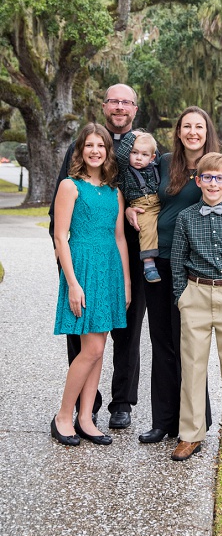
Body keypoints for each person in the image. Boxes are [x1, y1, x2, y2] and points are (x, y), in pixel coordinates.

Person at [129, 106, 222, 444]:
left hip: (197, 269)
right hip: (159, 262)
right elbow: (142, 191)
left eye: (198, 127)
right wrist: (130, 207)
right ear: (179, 131)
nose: (192, 132)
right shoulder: (165, 162)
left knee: (192, 349)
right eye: (186, 126)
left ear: (206, 131)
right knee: (163, 343)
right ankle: (164, 421)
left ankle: (199, 421)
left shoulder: (216, 166)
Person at [47, 84, 146, 430]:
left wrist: (133, 276)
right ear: (104, 106)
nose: (119, 107)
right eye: (113, 101)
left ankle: (114, 406)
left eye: (126, 102)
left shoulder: (142, 149)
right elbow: (59, 225)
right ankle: (71, 412)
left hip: (121, 264)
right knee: (86, 343)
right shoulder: (72, 180)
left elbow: (150, 201)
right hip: (83, 263)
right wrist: (67, 272)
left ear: (135, 108)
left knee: (118, 340)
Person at [169, 153, 222, 461]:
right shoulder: (186, 218)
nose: (213, 183)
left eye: (220, 178)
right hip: (196, 296)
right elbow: (177, 261)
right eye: (208, 177)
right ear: (198, 181)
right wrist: (182, 295)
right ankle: (191, 435)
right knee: (192, 368)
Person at [51, 124, 129, 447]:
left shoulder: (115, 191)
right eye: (89, 145)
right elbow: (60, 236)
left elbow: (120, 237)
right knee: (91, 348)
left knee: (99, 350)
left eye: (101, 145)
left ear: (108, 152)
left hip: (109, 269)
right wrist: (72, 282)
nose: (95, 150)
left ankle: (86, 418)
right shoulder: (70, 187)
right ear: (80, 150)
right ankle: (63, 417)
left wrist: (125, 281)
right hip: (82, 268)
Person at [120, 130, 162, 282]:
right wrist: (132, 135)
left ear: (152, 157)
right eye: (134, 153)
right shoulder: (125, 171)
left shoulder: (155, 167)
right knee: (147, 229)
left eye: (144, 155)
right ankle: (148, 263)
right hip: (142, 206)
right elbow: (121, 156)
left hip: (159, 203)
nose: (138, 158)